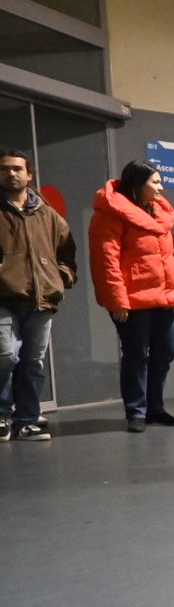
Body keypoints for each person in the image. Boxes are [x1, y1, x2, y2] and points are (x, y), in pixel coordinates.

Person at [89, 160, 174, 433]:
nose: (161, 187)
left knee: (165, 352)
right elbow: (105, 260)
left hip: (162, 297)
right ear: (137, 183)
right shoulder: (111, 213)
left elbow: (167, 256)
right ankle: (136, 412)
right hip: (131, 301)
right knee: (135, 355)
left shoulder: (158, 213)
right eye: (155, 182)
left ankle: (155, 408)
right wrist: (117, 300)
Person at [0, 148, 77, 442]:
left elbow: (67, 254)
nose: (11, 173)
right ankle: (2, 415)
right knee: (4, 356)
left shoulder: (48, 215)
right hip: (3, 298)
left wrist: (61, 278)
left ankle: (27, 420)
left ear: (29, 175)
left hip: (42, 300)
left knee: (34, 362)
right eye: (5, 168)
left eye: (18, 168)